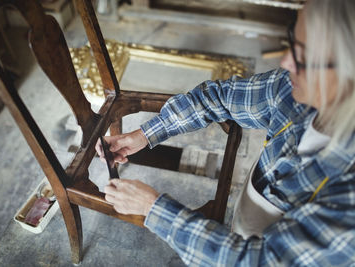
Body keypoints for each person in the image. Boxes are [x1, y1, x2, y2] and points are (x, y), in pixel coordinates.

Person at [95, 0, 355, 265]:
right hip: (244, 225)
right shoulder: (289, 90)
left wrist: (153, 208)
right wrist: (144, 134)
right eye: (293, 41)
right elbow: (219, 98)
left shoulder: (349, 196)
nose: (286, 61)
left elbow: (258, 261)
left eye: (305, 55)